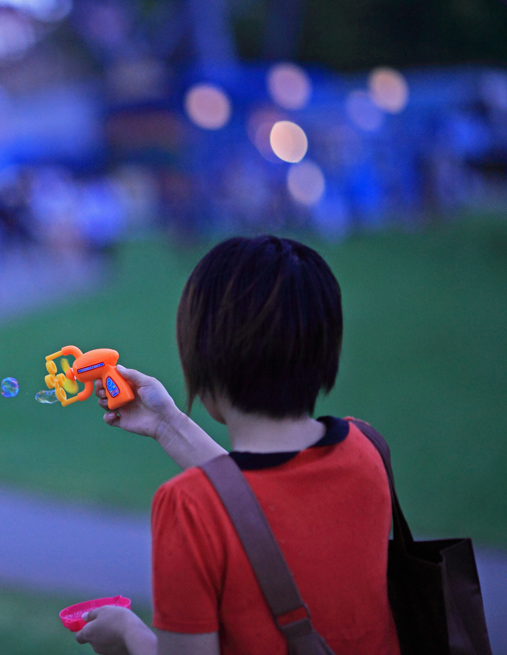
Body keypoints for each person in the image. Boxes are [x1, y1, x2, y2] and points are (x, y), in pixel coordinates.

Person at [75, 235, 400, 654]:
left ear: (200, 360)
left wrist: (127, 634)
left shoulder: (187, 508)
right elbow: (264, 505)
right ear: (327, 347)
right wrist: (166, 423)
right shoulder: (365, 450)